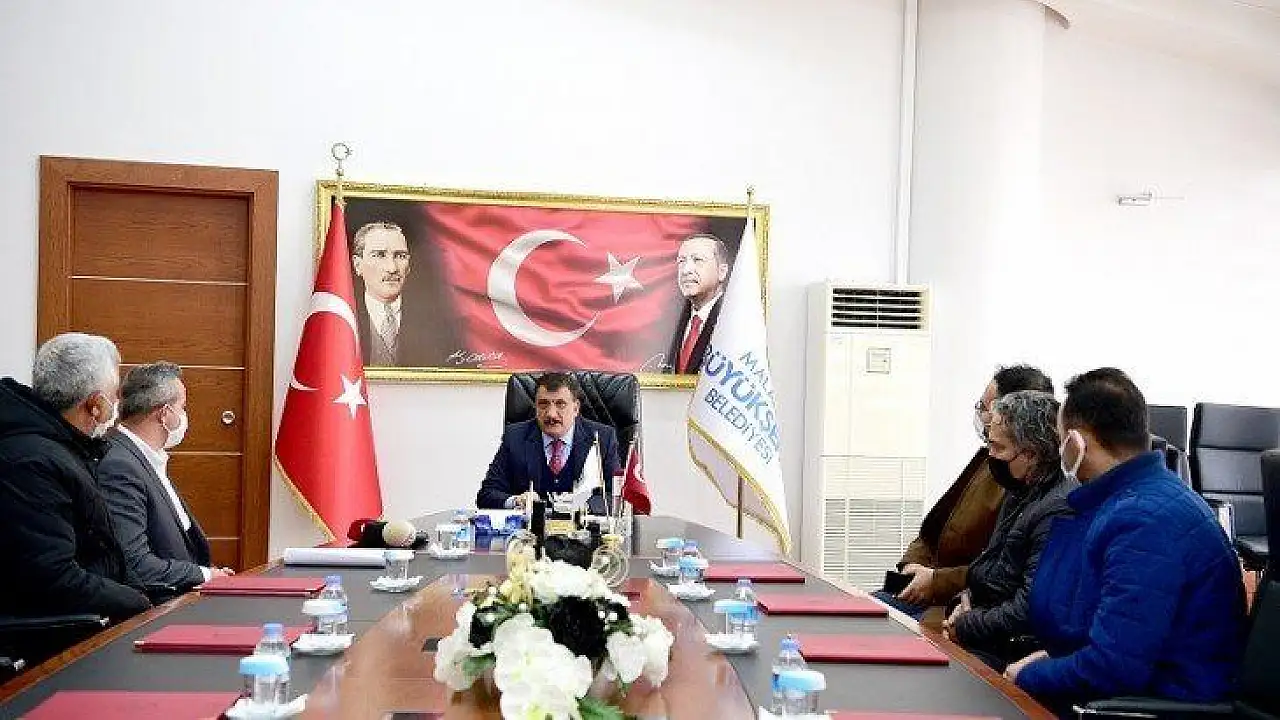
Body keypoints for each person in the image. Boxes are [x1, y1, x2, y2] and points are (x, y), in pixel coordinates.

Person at [1006, 368, 1247, 708]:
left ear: (1076, 443)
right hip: (1153, 687)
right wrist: (1053, 657)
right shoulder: (1148, 497)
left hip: (1162, 704)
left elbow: (1112, 667)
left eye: (1061, 441)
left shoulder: (1141, 521)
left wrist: (1028, 677)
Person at [874, 365, 1054, 619]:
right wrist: (913, 565)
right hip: (926, 588)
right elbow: (933, 529)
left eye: (986, 408)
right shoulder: (988, 460)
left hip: (957, 606)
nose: (981, 414)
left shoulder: (1030, 490)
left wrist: (936, 581)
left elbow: (996, 573)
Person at [0, 334, 151, 628]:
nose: (118, 404)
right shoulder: (32, 462)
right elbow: (51, 576)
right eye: (115, 395)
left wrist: (139, 594)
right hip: (57, 634)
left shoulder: (67, 448)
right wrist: (138, 603)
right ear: (95, 404)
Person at [942, 391, 1076, 670]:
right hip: (986, 635)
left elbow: (1027, 610)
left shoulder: (1056, 509)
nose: (990, 456)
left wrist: (966, 624)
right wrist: (963, 602)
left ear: (1031, 454)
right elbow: (990, 572)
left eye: (998, 448)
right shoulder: (1019, 493)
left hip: (1011, 654)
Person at [97, 362, 232, 596]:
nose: (184, 416)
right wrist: (205, 575)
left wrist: (208, 573)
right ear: (164, 414)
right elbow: (136, 564)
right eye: (182, 407)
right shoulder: (119, 465)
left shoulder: (148, 457)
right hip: (154, 605)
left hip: (184, 594)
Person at [477, 372, 620, 514]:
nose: (551, 414)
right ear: (535, 407)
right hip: (531, 527)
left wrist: (584, 507)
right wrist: (516, 501)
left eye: (560, 404)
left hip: (582, 526)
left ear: (576, 408)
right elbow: (487, 494)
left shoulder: (603, 438)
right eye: (543, 404)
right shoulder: (515, 437)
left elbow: (615, 496)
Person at [352, 221, 430, 367]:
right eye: (379, 255)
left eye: (400, 256)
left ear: (408, 266)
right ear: (358, 265)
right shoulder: (343, 318)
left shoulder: (433, 322)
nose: (392, 268)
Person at [667, 234, 729, 374]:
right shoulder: (670, 321)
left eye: (698, 260)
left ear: (722, 272)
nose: (686, 270)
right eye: (681, 261)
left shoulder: (734, 321)